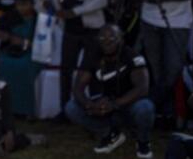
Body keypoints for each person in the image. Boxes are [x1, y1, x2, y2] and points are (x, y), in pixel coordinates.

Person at [65, 25, 155, 158]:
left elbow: (142, 88)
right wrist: (88, 104)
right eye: (102, 37)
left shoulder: (132, 56)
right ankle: (110, 134)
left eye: (112, 37)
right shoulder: (92, 55)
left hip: (129, 105)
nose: (106, 41)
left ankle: (143, 142)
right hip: (104, 106)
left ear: (121, 39)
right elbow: (78, 88)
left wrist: (115, 104)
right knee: (71, 107)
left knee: (145, 107)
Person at [41, 0, 107, 109]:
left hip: (92, 28)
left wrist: (76, 11)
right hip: (69, 29)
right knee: (66, 69)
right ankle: (65, 108)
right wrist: (49, 2)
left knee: (92, 68)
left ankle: (95, 105)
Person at [0, 0, 40, 117]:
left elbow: (43, 43)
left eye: (25, 4)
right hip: (10, 52)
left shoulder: (39, 19)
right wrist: (3, 35)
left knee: (25, 67)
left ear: (32, 4)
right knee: (1, 63)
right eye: (19, 4)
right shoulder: (11, 16)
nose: (21, 8)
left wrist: (23, 43)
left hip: (32, 54)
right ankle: (5, 108)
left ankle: (25, 110)